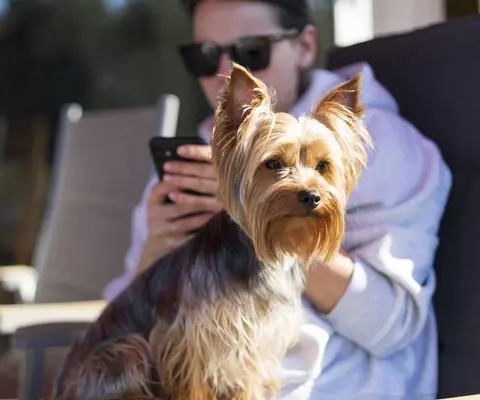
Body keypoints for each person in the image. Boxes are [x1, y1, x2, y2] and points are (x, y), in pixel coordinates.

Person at [104, 0, 452, 399]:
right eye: (205, 56)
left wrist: (256, 216)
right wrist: (155, 254)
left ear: (305, 45)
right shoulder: (194, 156)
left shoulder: (386, 147)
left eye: (251, 52)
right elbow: (122, 321)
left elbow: (393, 328)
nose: (224, 73)